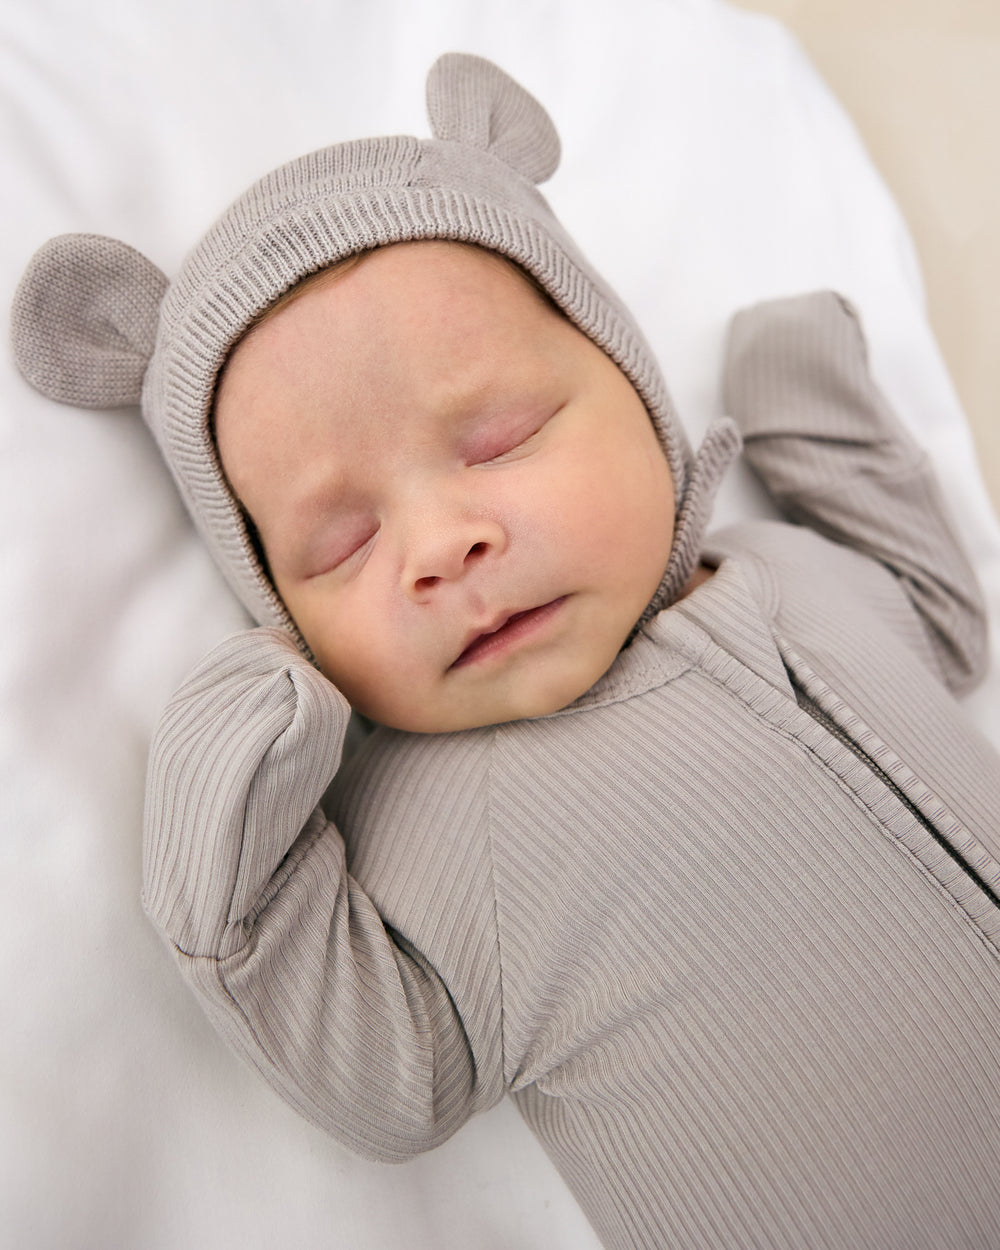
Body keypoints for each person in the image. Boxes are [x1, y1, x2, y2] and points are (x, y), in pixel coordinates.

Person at [12, 52, 1000, 1250]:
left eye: (498, 439)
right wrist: (232, 796)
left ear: (638, 396)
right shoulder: (424, 821)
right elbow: (378, 1082)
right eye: (342, 543)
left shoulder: (795, 575)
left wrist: (811, 404)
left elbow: (943, 617)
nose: (441, 544)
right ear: (278, 610)